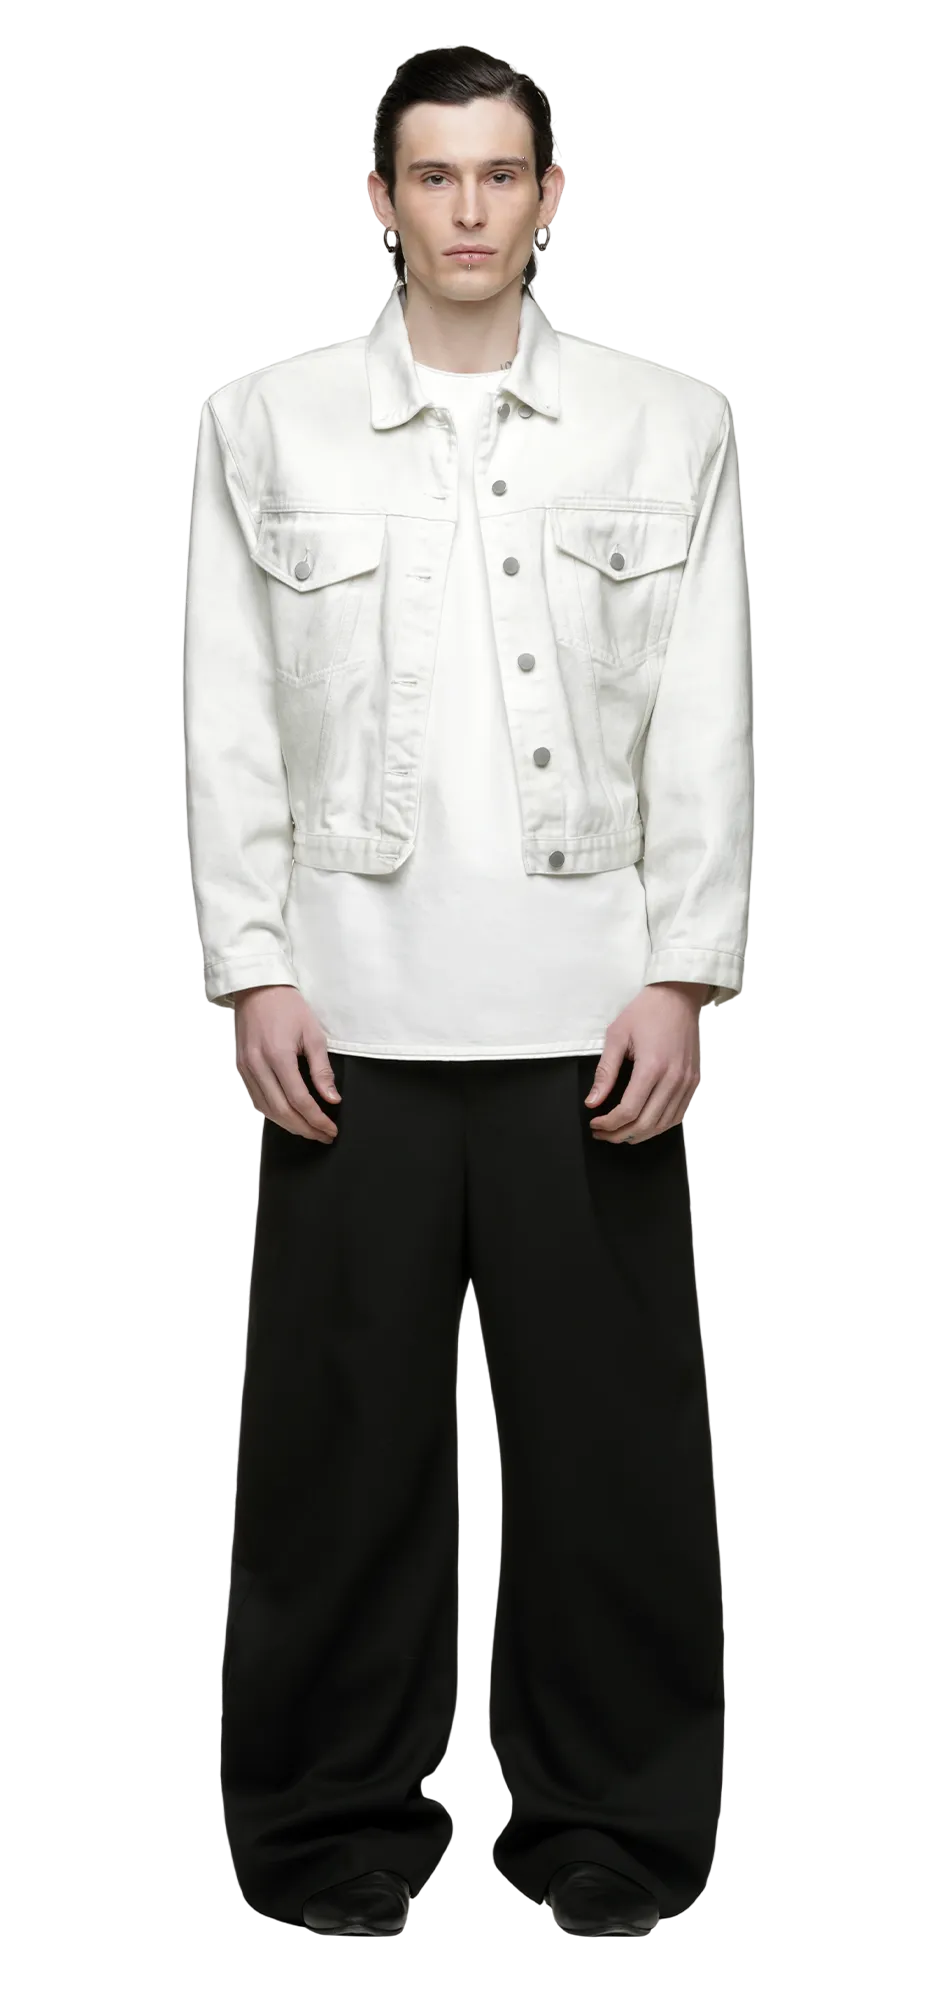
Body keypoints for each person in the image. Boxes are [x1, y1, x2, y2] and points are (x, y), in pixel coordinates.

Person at [183, 45, 753, 1943]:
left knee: (612, 1448)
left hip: (589, 1017)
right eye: (431, 177)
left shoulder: (664, 425)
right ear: (378, 199)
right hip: (349, 1016)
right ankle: (329, 1824)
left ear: (548, 193)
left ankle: (612, 1831)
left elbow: (705, 712)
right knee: (340, 1444)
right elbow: (226, 719)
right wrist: (254, 965)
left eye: (499, 175)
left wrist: (680, 970)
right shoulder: (263, 424)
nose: (467, 211)